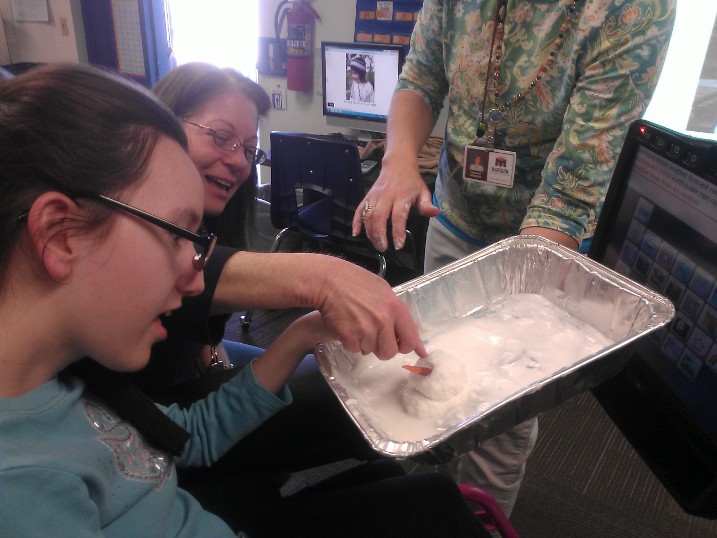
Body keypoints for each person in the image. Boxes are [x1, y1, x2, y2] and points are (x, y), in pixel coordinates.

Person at [0, 63, 490, 538]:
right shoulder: (25, 485)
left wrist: (301, 332)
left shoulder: (75, 381)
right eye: (176, 237)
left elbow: (188, 437)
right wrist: (318, 277)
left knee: (429, 494)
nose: (197, 285)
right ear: (61, 235)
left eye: (247, 148)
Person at [352, 0, 676, 516]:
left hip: (547, 238)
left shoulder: (632, 9)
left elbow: (572, 187)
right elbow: (421, 77)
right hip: (454, 214)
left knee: (496, 416)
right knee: (430, 376)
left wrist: (510, 314)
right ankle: (437, 503)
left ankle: (475, 520)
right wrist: (396, 162)